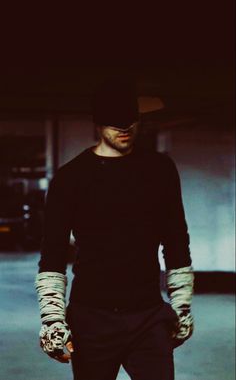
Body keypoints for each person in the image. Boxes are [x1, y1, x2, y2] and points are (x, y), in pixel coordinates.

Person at [35, 79, 194, 380]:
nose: (125, 128)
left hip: (147, 315)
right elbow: (52, 253)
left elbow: (176, 241)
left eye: (131, 120)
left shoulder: (160, 170)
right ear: (97, 122)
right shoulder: (70, 179)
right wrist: (53, 319)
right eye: (115, 122)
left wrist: (182, 305)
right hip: (91, 318)